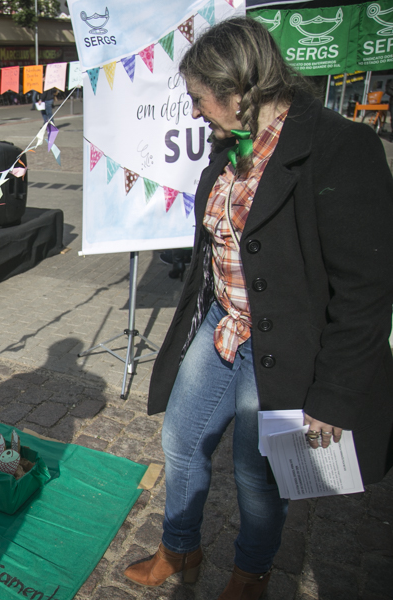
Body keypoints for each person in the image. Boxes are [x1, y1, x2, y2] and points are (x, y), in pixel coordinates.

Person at [124, 17, 393, 600]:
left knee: (257, 473)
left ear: (241, 88)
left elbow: (368, 292)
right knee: (180, 439)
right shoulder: (230, 146)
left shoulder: (341, 149)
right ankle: (181, 548)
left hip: (285, 346)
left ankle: (251, 575)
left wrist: (334, 397)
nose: (195, 111)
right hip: (224, 325)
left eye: (200, 97)